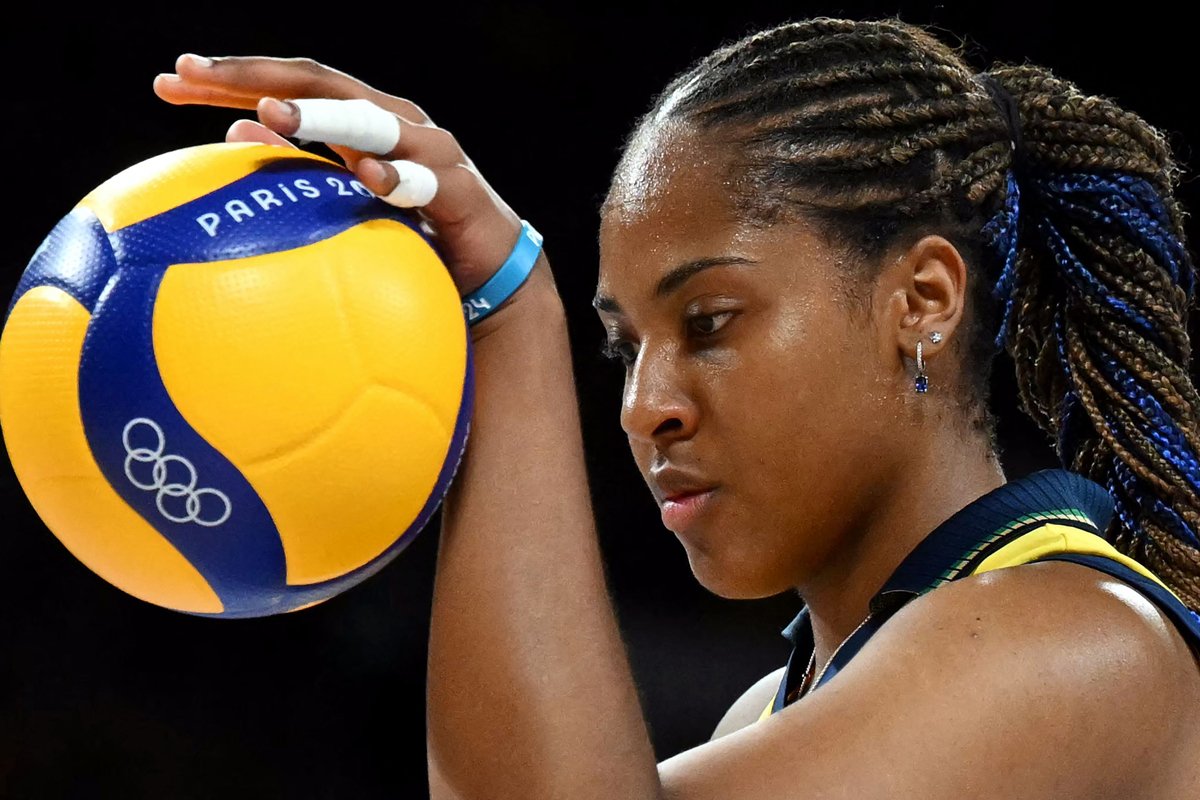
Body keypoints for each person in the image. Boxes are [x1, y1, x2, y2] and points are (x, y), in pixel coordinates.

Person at [154, 15, 1200, 798]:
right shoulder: (778, 707)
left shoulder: (1075, 643)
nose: (642, 405)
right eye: (621, 344)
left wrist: (514, 316)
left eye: (709, 320)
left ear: (920, 301)